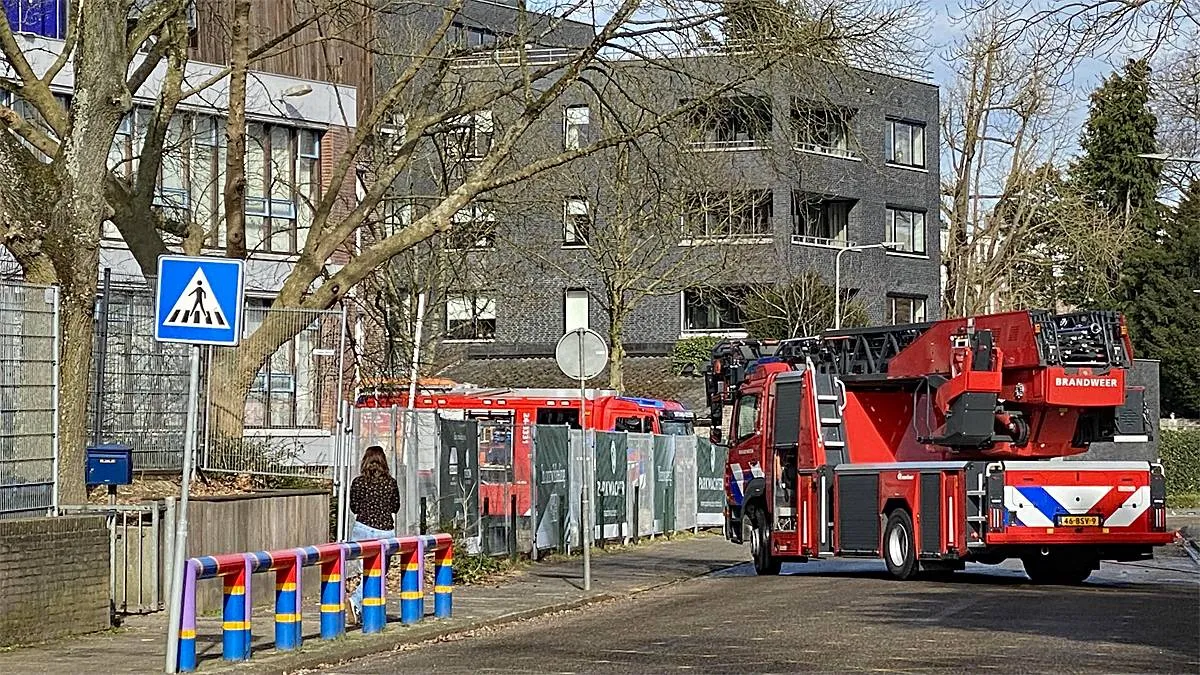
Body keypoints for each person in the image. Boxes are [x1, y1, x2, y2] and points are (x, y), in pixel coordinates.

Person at [346, 445, 400, 623]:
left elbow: (354, 506)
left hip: (362, 529)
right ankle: (357, 601)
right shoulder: (390, 482)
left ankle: (360, 606)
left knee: (366, 572)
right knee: (378, 573)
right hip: (385, 531)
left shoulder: (358, 482)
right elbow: (395, 507)